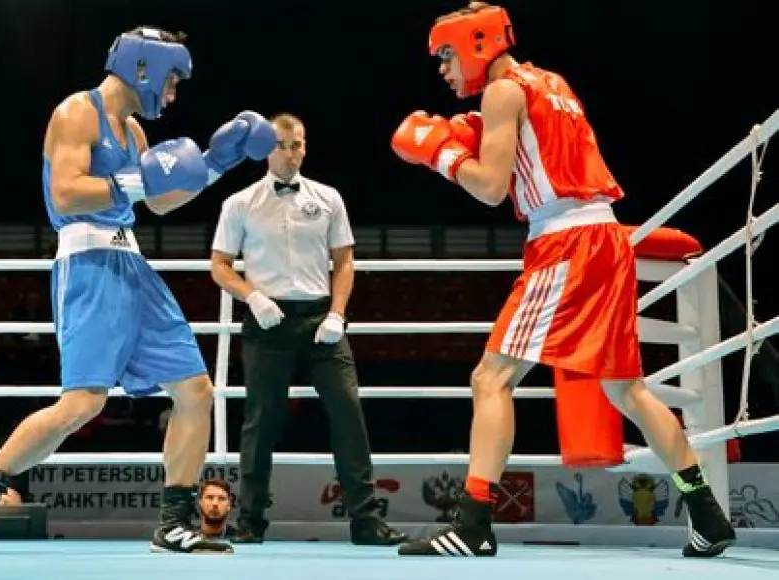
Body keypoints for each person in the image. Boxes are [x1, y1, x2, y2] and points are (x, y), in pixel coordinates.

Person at [390, 3, 736, 557]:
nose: (443, 69)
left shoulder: (502, 92)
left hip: (566, 243)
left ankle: (473, 524)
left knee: (490, 378)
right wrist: (475, 134)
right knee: (626, 389)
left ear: (476, 42)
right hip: (606, 237)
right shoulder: (552, 84)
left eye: (446, 55)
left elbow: (490, 187)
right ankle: (707, 514)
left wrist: (442, 155)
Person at [0, 26, 278, 555]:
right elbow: (65, 193)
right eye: (171, 81)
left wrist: (216, 164)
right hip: (87, 263)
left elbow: (160, 202)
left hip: (132, 264)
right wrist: (138, 182)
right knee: (82, 404)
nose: (172, 94)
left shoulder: (134, 133)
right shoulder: (76, 113)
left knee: (195, 392)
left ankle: (173, 523)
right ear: (143, 68)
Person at [209, 113, 407, 546]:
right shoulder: (240, 203)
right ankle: (251, 520)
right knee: (261, 421)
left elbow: (345, 260)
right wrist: (252, 297)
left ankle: (366, 520)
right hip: (267, 322)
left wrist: (338, 314)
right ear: (266, 150)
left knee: (348, 412)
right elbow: (219, 265)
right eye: (282, 145)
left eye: (297, 144)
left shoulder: (329, 198)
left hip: (321, 321)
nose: (291, 153)